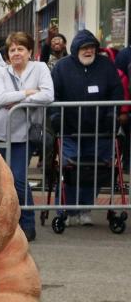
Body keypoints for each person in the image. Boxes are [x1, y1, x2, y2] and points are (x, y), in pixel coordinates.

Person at [50, 29, 125, 226]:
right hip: (70, 130)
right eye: (84, 48)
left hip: (101, 132)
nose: (88, 51)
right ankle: (65, 210)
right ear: (75, 49)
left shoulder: (106, 66)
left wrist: (112, 116)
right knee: (69, 172)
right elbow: (53, 94)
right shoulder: (62, 67)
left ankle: (84, 209)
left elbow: (117, 92)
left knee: (94, 173)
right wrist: (57, 117)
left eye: (91, 47)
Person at [0, 32, 54, 242]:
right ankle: (2, 224)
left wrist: (16, 101)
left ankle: (27, 223)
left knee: (18, 180)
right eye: (13, 50)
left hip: (24, 135)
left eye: (21, 49)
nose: (16, 53)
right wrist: (28, 93)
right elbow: (1, 97)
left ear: (29, 52)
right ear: (8, 54)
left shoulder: (40, 68)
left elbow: (49, 95)